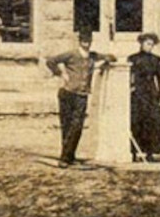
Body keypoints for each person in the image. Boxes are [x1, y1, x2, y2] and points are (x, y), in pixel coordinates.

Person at [46, 31, 113, 168]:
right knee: (67, 126)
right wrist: (61, 74)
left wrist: (106, 60)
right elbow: (51, 61)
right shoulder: (71, 54)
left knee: (77, 126)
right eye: (84, 40)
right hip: (67, 93)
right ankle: (66, 158)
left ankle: (68, 156)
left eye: (88, 40)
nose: (86, 42)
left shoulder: (92, 56)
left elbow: (111, 57)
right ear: (79, 41)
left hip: (82, 95)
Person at [128, 32, 160, 163]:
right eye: (147, 44)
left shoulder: (156, 60)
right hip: (137, 93)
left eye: (152, 44)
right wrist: (130, 87)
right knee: (136, 121)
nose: (150, 47)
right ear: (141, 43)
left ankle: (150, 152)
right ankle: (134, 151)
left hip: (151, 93)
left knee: (151, 122)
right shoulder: (132, 59)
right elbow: (129, 77)